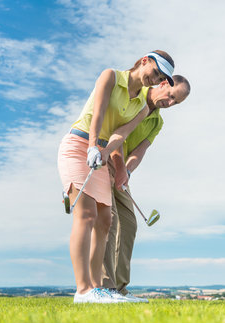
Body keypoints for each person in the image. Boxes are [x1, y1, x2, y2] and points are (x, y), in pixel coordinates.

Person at [57, 50, 176, 303]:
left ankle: (96, 288)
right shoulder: (110, 76)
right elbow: (97, 115)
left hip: (100, 153)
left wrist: (104, 152)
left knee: (105, 221)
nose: (154, 80)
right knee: (86, 214)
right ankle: (82, 290)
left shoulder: (142, 108)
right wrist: (91, 146)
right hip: (79, 144)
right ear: (144, 60)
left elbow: (119, 135)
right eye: (155, 73)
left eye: (160, 78)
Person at [102, 75, 191, 302]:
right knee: (108, 221)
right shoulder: (134, 98)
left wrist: (127, 172)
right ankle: (105, 286)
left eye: (175, 103)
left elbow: (140, 151)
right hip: (104, 162)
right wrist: (119, 166)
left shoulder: (157, 122)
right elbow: (117, 136)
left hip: (121, 172)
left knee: (129, 224)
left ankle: (120, 289)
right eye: (171, 96)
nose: (169, 103)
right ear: (163, 84)